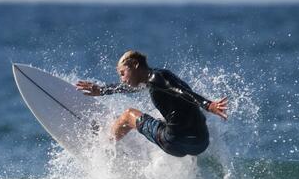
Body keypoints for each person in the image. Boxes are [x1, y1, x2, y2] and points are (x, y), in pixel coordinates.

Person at [76, 50, 228, 157]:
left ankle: (104, 146)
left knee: (129, 115)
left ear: (135, 64)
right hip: (200, 143)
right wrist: (102, 90)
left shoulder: (156, 79)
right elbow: (127, 88)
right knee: (168, 121)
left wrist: (208, 104)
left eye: (123, 73)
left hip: (173, 142)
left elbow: (180, 91)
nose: (122, 78)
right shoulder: (156, 78)